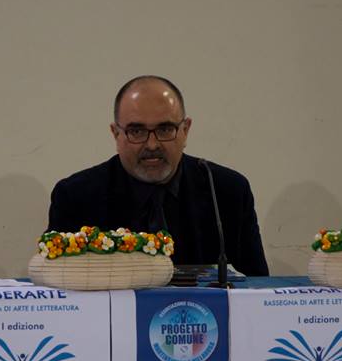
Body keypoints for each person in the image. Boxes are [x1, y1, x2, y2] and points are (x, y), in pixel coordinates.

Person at [47, 75, 269, 276]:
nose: (152, 144)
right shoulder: (76, 196)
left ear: (185, 130)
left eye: (165, 129)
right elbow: (60, 286)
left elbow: (257, 287)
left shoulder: (226, 191)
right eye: (137, 131)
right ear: (116, 134)